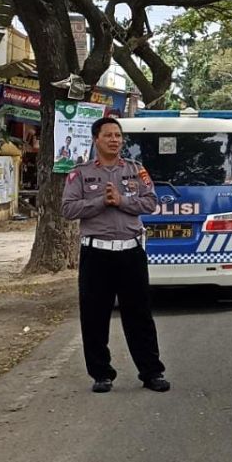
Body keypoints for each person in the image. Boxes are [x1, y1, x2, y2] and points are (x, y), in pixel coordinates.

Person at [61, 117, 169, 394]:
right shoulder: (81, 173)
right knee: (94, 316)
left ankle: (151, 372)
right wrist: (100, 202)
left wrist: (121, 201)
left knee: (140, 315)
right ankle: (101, 374)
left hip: (130, 252)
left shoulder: (136, 170)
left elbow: (151, 202)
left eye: (118, 136)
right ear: (96, 139)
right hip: (96, 254)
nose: (115, 140)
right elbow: (68, 209)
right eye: (108, 135)